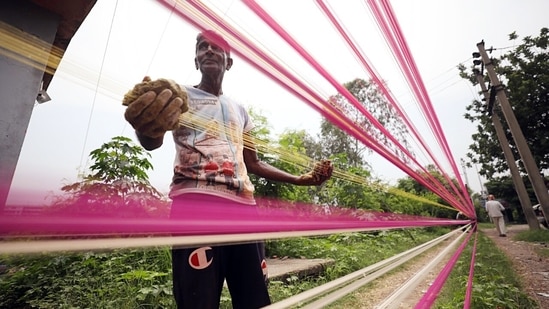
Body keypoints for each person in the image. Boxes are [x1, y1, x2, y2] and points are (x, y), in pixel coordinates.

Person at [123, 30, 332, 309]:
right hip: (196, 205)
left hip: (244, 210)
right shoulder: (180, 96)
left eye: (217, 47)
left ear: (229, 62)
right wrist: (146, 130)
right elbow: (153, 139)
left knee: (254, 297)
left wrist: (300, 179)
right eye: (202, 47)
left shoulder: (240, 110)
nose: (209, 50)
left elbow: (253, 163)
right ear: (196, 61)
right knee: (197, 297)